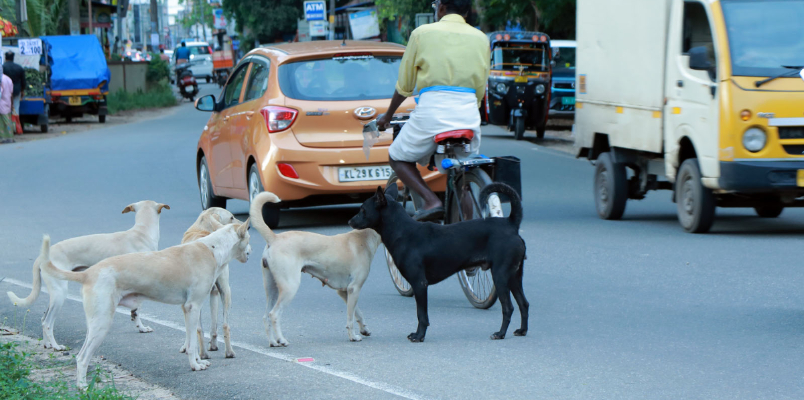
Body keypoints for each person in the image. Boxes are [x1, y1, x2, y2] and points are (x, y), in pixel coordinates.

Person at [377, 0, 490, 221]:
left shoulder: (422, 34)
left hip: (433, 112)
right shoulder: (481, 39)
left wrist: (388, 116)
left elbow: (405, 86)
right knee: (461, 176)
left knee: (397, 156)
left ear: (441, 8)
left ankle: (430, 200)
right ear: (466, 11)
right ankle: (467, 233)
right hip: (467, 114)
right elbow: (480, 88)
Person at [3, 51, 25, 115]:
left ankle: (7, 123)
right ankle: (15, 123)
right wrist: (22, 90)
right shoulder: (19, 68)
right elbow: (23, 81)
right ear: (13, 58)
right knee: (15, 108)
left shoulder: (3, 67)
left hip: (5, 91)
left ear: (5, 58)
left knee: (5, 108)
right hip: (16, 91)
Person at [0, 73, 15, 144]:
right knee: (8, 120)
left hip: (1, 103)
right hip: (7, 102)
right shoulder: (8, 78)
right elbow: (11, 93)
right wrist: (12, 103)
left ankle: (4, 137)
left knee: (3, 121)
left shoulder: (1, 79)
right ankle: (10, 137)